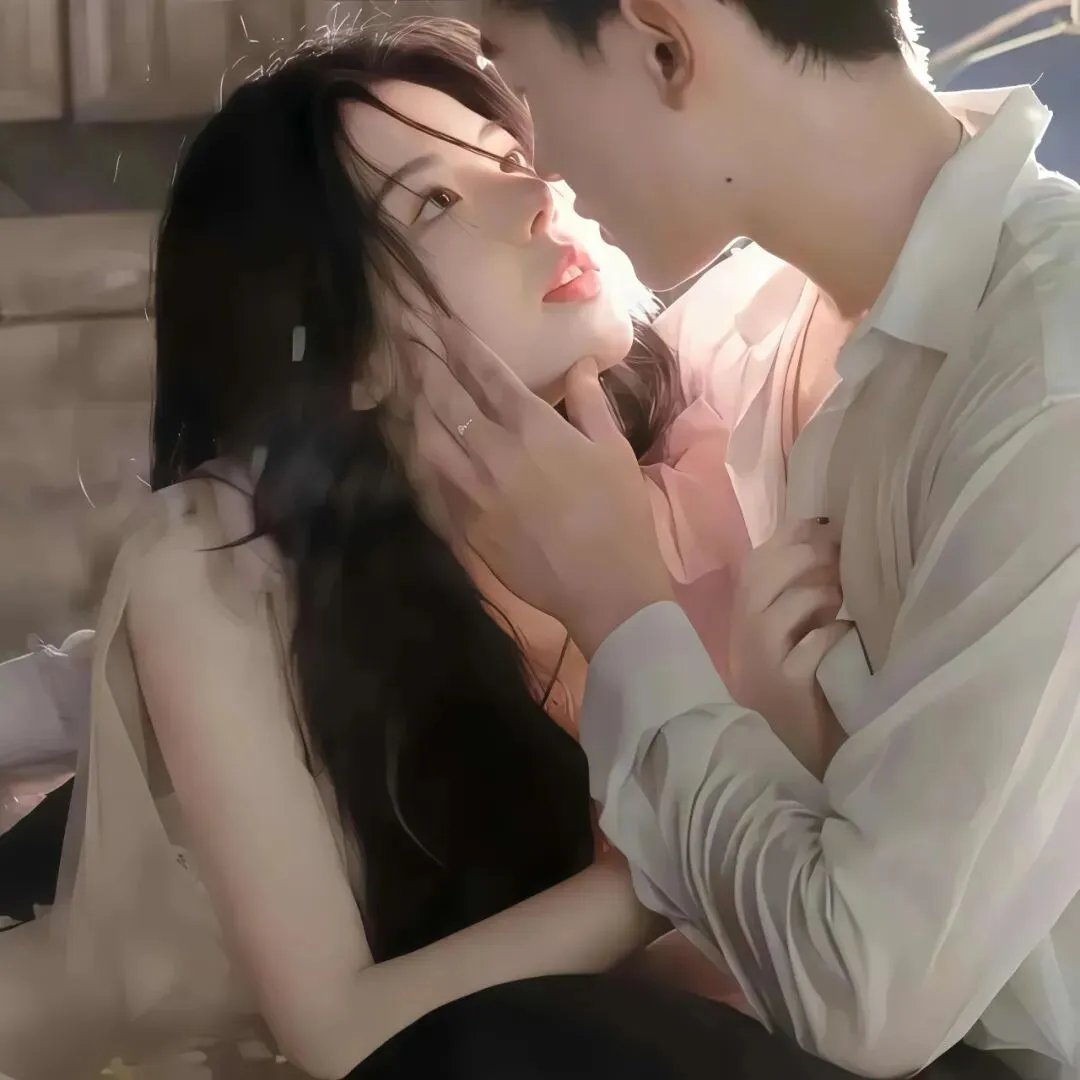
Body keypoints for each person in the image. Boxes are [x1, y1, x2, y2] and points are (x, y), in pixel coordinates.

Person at [0, 16, 874, 1080]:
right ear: (351, 354)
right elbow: (340, 1033)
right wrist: (714, 810)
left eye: (509, 155)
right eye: (436, 202)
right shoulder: (219, 561)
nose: (540, 193)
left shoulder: (716, 442)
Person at [414, 1, 1080, 1078]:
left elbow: (867, 993)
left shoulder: (1050, 375)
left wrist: (625, 610)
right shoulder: (741, 327)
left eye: (525, 93)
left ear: (662, 44)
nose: (544, 173)